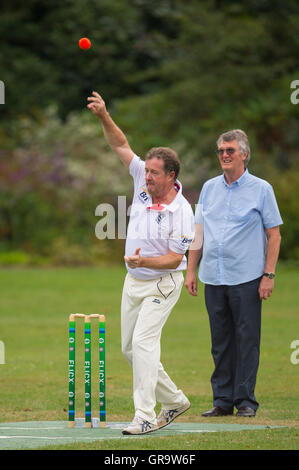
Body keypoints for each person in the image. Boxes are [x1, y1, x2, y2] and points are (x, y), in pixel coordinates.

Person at [87, 91, 194, 434]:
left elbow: (176, 258)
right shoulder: (141, 181)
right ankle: (175, 400)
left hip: (162, 283)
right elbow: (120, 145)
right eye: (145, 171)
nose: (146, 177)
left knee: (145, 344)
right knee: (130, 350)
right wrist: (104, 115)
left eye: (153, 173)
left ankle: (146, 416)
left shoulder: (182, 210)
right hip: (133, 279)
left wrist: (143, 259)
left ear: (171, 175)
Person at [185, 129, 282, 417]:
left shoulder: (262, 189)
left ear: (244, 154)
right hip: (213, 276)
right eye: (221, 151)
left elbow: (274, 235)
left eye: (230, 150)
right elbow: (198, 232)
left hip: (247, 277)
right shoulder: (209, 188)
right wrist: (191, 270)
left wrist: (269, 275)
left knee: (247, 339)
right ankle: (222, 401)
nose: (225, 155)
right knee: (221, 341)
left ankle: (246, 401)